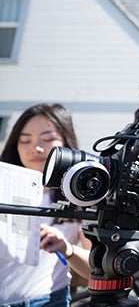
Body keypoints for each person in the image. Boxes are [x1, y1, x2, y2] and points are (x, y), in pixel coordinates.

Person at [0, 103, 92, 307]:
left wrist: (67, 249)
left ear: (67, 142)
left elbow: (96, 268)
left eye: (48, 139)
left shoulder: (81, 198)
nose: (36, 148)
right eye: (25, 140)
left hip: (47, 300)